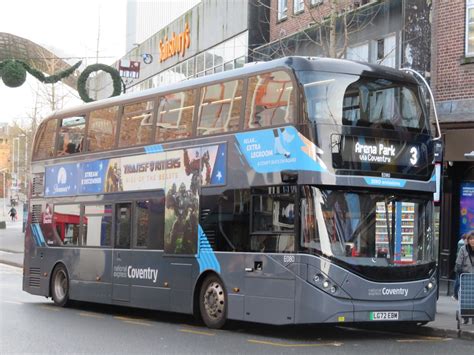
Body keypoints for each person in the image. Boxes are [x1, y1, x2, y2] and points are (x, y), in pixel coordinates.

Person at [454, 231, 474, 324]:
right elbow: (458, 263)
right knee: (466, 297)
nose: (473, 241)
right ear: (468, 240)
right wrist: (460, 271)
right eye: (471, 239)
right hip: (466, 277)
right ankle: (465, 316)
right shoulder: (463, 249)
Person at [453, 234, 468, 300]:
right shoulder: (462, 244)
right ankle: (455, 295)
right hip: (460, 268)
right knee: (458, 282)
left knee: (458, 281)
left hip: (460, 267)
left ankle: (455, 295)